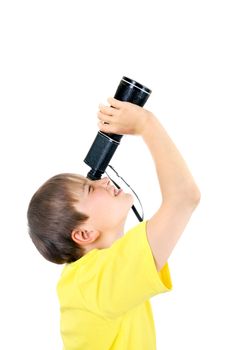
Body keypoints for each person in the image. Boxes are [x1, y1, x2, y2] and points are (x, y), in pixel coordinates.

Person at [27, 96, 201, 349]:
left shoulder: (92, 278)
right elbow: (184, 197)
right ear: (84, 234)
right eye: (89, 189)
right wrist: (146, 124)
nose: (104, 181)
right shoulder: (95, 283)